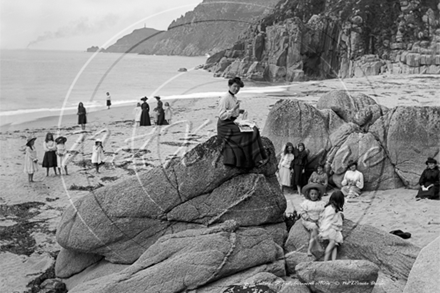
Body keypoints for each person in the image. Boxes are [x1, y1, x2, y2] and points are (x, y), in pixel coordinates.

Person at [217, 77, 267, 169]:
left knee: (254, 130)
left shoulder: (233, 97)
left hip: (231, 123)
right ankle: (251, 161)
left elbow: (232, 111)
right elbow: (222, 115)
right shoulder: (225, 98)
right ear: (229, 85)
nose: (236, 89)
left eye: (238, 87)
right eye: (235, 86)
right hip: (224, 126)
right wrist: (233, 111)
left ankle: (260, 157)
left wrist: (240, 111)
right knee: (247, 134)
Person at [299, 183, 326, 256]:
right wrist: (309, 219)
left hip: (318, 220)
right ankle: (310, 249)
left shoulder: (321, 203)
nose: (313, 196)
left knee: (321, 228)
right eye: (312, 194)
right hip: (308, 220)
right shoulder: (306, 203)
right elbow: (302, 212)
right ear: (309, 194)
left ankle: (314, 248)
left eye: (315, 194)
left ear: (318, 195)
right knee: (314, 227)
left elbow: (322, 213)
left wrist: (319, 220)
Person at [319, 190, 344, 261]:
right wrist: (322, 231)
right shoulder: (330, 209)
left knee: (335, 245)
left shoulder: (333, 209)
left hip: (333, 229)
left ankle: (333, 261)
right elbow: (326, 220)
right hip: (329, 229)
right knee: (332, 243)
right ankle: (325, 260)